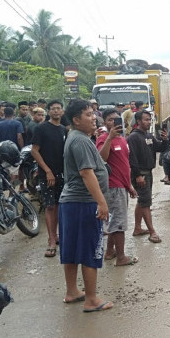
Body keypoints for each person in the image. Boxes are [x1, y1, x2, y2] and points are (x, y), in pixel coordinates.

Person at [58, 99, 113, 312]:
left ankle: (72, 291)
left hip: (71, 202)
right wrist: (102, 202)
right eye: (89, 115)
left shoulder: (77, 137)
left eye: (93, 113)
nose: (94, 118)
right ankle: (91, 299)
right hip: (83, 202)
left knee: (71, 249)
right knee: (90, 249)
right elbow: (86, 172)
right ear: (76, 120)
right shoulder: (80, 140)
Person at [96, 108, 138, 266]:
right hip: (112, 187)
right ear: (105, 122)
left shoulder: (122, 139)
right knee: (118, 223)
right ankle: (121, 257)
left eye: (116, 119)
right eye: (110, 120)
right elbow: (101, 159)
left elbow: (124, 165)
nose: (114, 122)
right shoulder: (103, 138)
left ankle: (109, 252)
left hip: (122, 186)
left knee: (115, 221)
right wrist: (109, 139)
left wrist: (129, 186)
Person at [32, 100, 67, 258]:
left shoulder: (63, 130)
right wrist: (47, 171)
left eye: (58, 108)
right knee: (50, 206)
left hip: (62, 174)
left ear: (62, 111)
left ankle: (58, 235)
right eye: (53, 109)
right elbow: (35, 151)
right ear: (48, 111)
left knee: (60, 205)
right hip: (47, 175)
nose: (56, 111)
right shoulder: (41, 128)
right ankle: (51, 240)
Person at [127, 110, 168, 243]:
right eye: (146, 119)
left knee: (142, 200)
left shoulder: (149, 135)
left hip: (148, 172)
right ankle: (152, 232)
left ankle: (138, 228)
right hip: (141, 174)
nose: (149, 122)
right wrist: (138, 175)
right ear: (138, 121)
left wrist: (165, 140)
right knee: (145, 202)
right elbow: (132, 158)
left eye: (150, 119)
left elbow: (160, 148)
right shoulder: (133, 137)